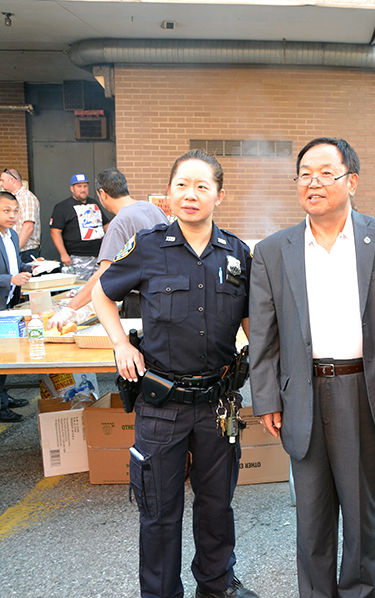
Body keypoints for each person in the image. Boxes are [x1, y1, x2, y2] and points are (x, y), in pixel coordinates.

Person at [91, 150, 258, 598]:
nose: (191, 194)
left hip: (217, 406)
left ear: (219, 196)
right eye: (182, 184)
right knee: (159, 512)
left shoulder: (238, 254)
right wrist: (120, 344)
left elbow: (252, 325)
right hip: (160, 406)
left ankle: (217, 585)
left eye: (203, 186)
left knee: (216, 507)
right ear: (168, 193)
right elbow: (102, 296)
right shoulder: (147, 247)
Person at [249, 137, 375, 598]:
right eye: (304, 174)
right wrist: (266, 398)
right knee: (312, 515)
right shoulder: (274, 250)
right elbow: (264, 333)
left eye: (325, 172)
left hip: (367, 390)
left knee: (362, 515)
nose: (313, 182)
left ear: (351, 181)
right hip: (303, 391)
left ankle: (359, 592)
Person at [47, 167, 168, 331]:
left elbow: (103, 273)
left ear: (103, 194)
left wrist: (69, 309)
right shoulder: (154, 209)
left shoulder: (120, 222)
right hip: (167, 296)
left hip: (141, 302)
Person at [0, 191, 32, 422]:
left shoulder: (11, 235)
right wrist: (10, 280)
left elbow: (15, 264)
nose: (12, 216)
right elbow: (8, 275)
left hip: (9, 303)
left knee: (5, 355)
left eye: (15, 211)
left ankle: (3, 397)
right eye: (6, 211)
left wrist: (30, 267)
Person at [50, 172, 110, 281]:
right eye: (79, 186)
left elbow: (106, 225)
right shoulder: (62, 207)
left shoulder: (94, 203)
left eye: (85, 186)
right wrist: (63, 254)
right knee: (80, 290)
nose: (83, 189)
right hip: (77, 258)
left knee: (100, 289)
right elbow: (55, 231)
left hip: (99, 256)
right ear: (72, 188)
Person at [0, 168, 41, 261]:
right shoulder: (14, 198)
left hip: (25, 251)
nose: (1, 184)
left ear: (11, 180)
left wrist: (14, 250)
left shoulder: (26, 197)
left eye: (2, 180)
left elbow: (28, 228)